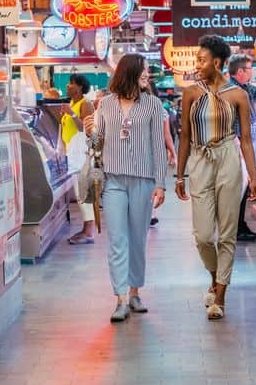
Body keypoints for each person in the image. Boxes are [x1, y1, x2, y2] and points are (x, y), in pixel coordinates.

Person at [175, 35, 256, 320]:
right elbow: (184, 137)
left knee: (227, 232)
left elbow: (245, 139)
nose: (197, 64)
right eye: (196, 59)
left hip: (228, 158)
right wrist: (179, 175)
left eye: (202, 60)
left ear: (218, 62)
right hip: (200, 159)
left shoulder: (238, 95)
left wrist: (253, 177)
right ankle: (214, 277)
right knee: (202, 236)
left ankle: (220, 296)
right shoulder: (190, 93)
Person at [83, 54, 167, 323]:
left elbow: (158, 146)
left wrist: (161, 184)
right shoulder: (106, 104)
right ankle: (120, 298)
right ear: (129, 72)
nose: (147, 75)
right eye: (143, 71)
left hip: (143, 180)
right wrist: (89, 131)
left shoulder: (153, 104)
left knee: (138, 239)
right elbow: (97, 143)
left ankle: (134, 292)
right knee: (117, 239)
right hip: (113, 180)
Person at [227, 54, 256, 242]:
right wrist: (242, 153)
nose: (251, 72)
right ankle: (236, 228)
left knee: (242, 188)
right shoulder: (233, 92)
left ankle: (239, 226)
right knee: (239, 189)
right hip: (238, 148)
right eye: (249, 69)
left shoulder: (244, 88)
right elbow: (233, 127)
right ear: (240, 71)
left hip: (243, 147)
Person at [61, 74, 96, 245]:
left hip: (82, 154)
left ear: (80, 87)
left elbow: (85, 128)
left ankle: (89, 232)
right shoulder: (72, 103)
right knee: (79, 192)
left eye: (71, 83)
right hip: (72, 153)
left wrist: (71, 114)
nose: (68, 86)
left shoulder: (85, 104)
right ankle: (86, 228)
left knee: (84, 192)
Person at [146, 82, 177, 227]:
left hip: (155, 151)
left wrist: (173, 152)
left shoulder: (160, 109)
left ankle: (151, 213)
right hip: (140, 152)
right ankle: (147, 213)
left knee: (153, 182)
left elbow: (167, 134)